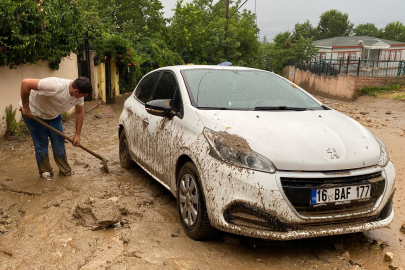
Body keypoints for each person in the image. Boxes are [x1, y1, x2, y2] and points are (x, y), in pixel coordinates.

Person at [20, 77, 92, 180]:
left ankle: (64, 170)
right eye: (84, 95)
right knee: (42, 143)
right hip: (35, 113)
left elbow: (79, 112)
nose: (83, 97)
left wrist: (77, 134)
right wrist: (26, 107)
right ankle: (45, 171)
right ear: (76, 91)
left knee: (59, 141)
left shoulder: (78, 96)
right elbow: (25, 83)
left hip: (53, 115)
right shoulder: (55, 85)